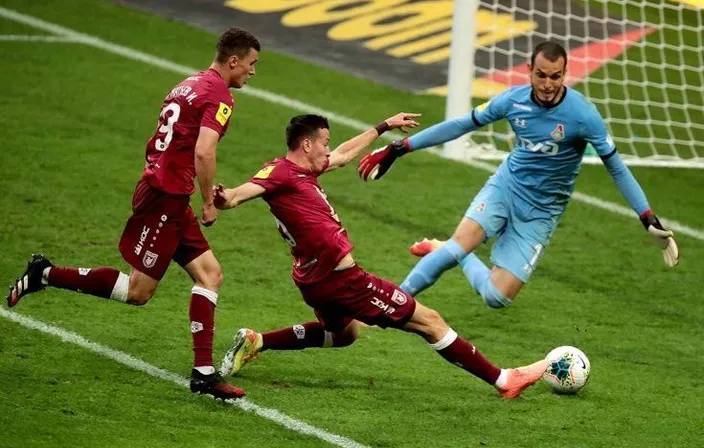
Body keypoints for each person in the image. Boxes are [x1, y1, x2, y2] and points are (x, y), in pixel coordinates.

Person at [213, 113, 548, 399]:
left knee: (345, 335)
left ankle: (257, 342)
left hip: (314, 280)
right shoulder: (280, 174)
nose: (329, 149)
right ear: (307, 145)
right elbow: (241, 195)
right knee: (429, 322)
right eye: (325, 143)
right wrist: (224, 197)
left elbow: (344, 155)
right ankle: (504, 379)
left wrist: (384, 126)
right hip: (342, 280)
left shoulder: (302, 170)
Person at [5, 28, 261, 400]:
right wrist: (208, 202)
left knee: (211, 275)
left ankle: (204, 374)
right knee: (138, 291)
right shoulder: (220, 96)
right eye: (251, 64)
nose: (253, 72)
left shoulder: (186, 84)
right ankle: (44, 273)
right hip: (165, 198)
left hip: (164, 191)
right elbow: (204, 152)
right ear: (233, 60)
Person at [357, 41, 679, 310]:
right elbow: (460, 125)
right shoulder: (511, 101)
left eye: (556, 76)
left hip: (542, 212)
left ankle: (444, 249)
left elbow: (616, 167)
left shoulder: (583, 116)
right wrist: (400, 147)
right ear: (530, 70)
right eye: (541, 75)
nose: (548, 84)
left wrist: (647, 217)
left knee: (496, 297)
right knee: (457, 247)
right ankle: (388, 306)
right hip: (506, 188)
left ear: (566, 73)